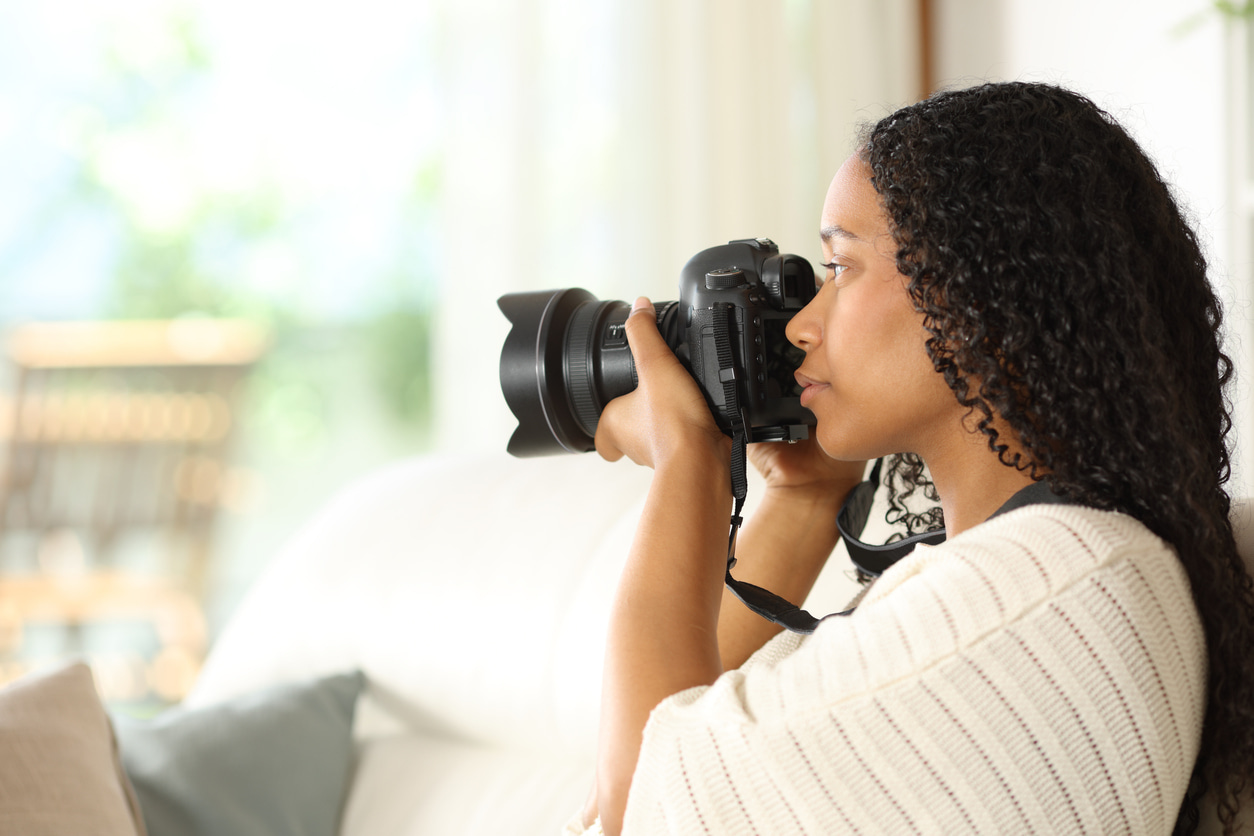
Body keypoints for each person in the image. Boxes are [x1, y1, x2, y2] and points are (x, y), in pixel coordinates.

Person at [569, 81, 1254, 836]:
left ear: (974, 292)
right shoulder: (1012, 568)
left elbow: (642, 802)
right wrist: (802, 507)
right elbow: (692, 736)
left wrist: (687, 461)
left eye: (841, 268)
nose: (801, 324)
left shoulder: (1045, 585)